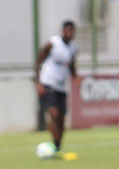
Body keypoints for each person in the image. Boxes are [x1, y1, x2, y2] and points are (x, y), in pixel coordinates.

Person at [35, 21, 77, 153]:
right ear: (63, 31)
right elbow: (39, 60)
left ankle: (57, 145)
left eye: (72, 31)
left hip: (62, 87)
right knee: (53, 113)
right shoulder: (53, 43)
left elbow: (71, 66)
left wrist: (76, 77)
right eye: (68, 30)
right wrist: (38, 82)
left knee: (62, 119)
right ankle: (54, 145)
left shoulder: (73, 48)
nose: (70, 33)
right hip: (48, 83)